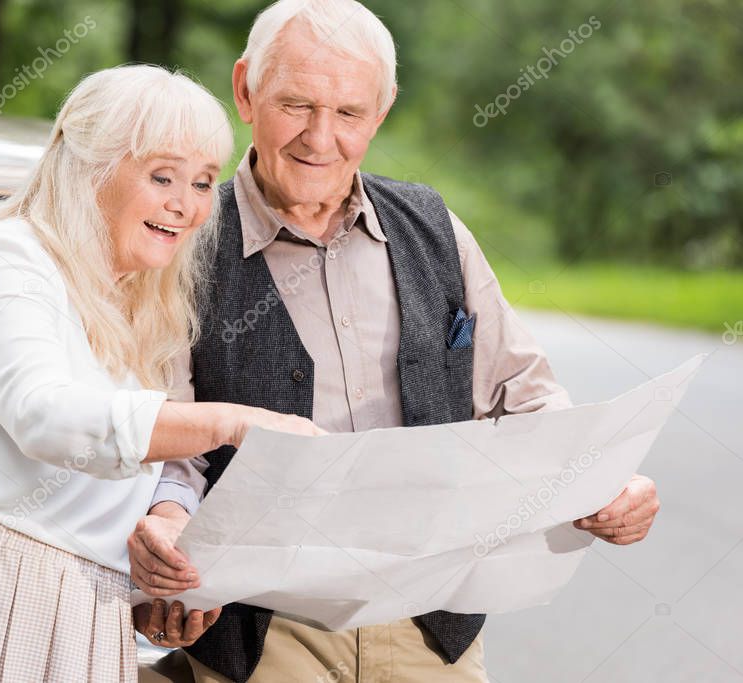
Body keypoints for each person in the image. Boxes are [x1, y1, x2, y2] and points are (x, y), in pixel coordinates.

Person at [131, 2, 662, 681]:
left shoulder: (432, 226)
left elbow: (523, 396)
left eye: (349, 113)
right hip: (264, 632)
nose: (319, 138)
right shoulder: (186, 242)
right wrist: (165, 531)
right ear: (244, 91)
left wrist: (603, 480)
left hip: (433, 622)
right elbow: (164, 445)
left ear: (380, 112)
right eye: (296, 104)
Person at [0, 64, 322, 683]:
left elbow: (141, 469)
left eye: (204, 182)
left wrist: (160, 556)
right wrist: (233, 422)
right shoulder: (5, 259)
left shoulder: (149, 310)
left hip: (73, 603)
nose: (186, 205)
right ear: (89, 168)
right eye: (162, 177)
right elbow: (44, 415)